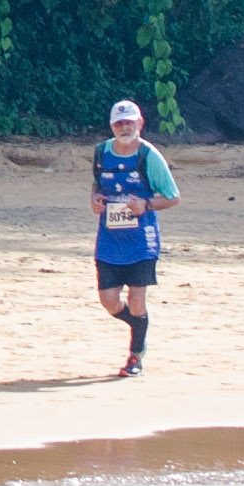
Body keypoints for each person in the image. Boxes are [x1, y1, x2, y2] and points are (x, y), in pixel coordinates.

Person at [93, 98, 179, 376]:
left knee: (138, 298)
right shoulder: (101, 153)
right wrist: (94, 199)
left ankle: (135, 356)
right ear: (111, 126)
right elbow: (97, 184)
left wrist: (146, 205)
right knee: (109, 300)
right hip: (109, 241)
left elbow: (173, 197)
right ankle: (137, 325)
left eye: (129, 122)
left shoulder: (149, 156)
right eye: (119, 123)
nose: (124, 127)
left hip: (142, 240)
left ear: (140, 123)